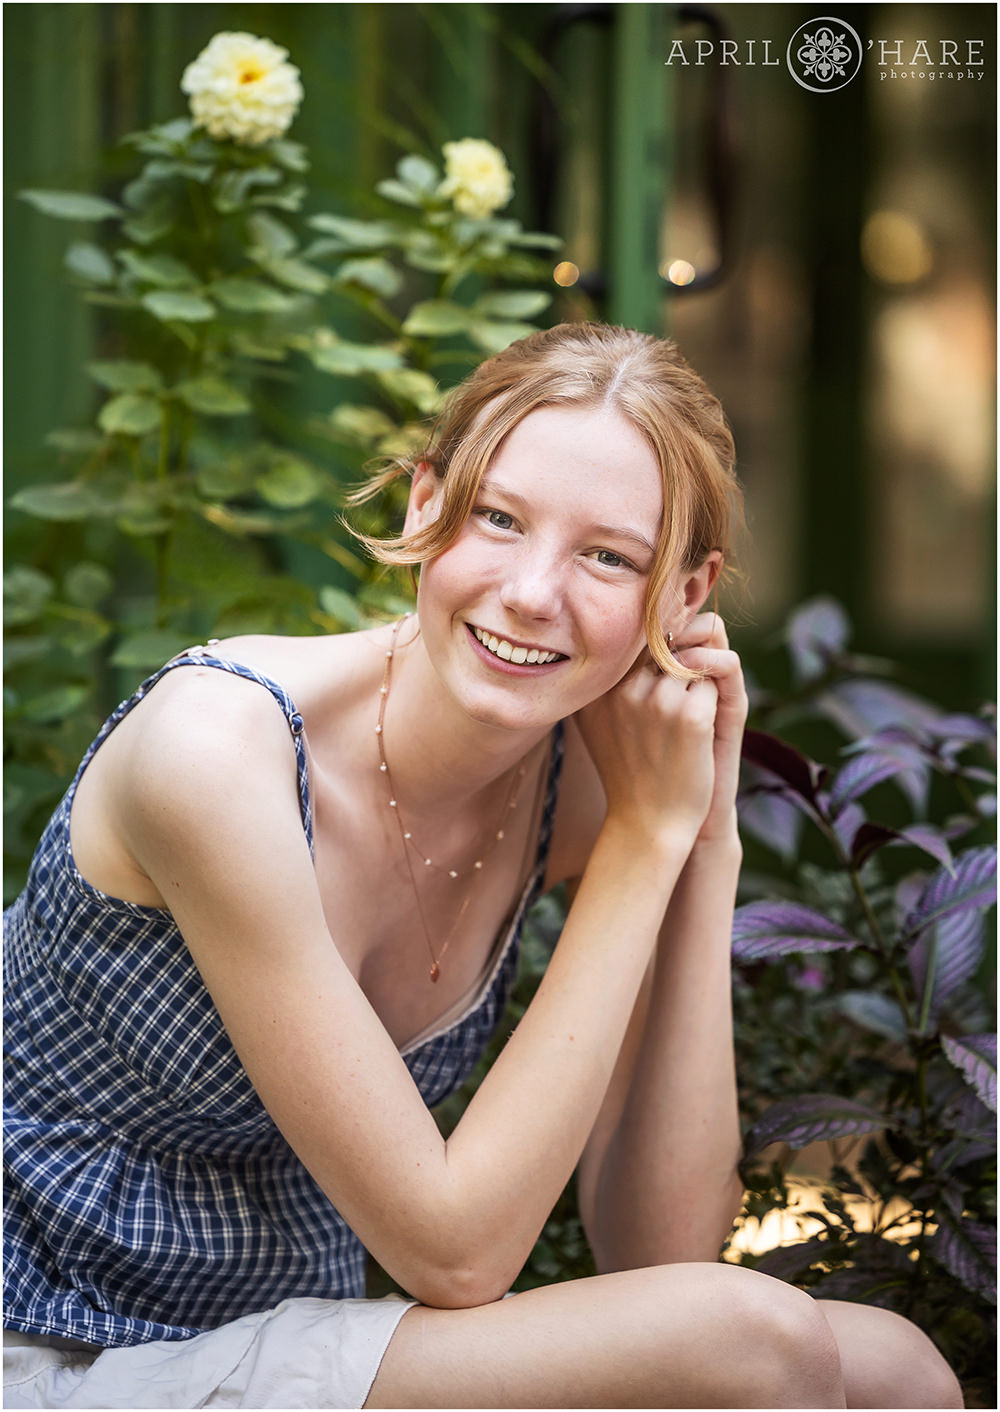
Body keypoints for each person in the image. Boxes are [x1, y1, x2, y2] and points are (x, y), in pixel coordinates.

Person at [4, 323, 962, 1410]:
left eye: (609, 555)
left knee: (895, 1367)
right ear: (424, 503)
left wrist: (698, 840)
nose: (530, 592)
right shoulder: (220, 752)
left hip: (275, 1337)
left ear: (686, 594)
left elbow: (661, 1252)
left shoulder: (597, 779)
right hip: (50, 1346)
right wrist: (644, 841)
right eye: (498, 519)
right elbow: (455, 1256)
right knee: (756, 1337)